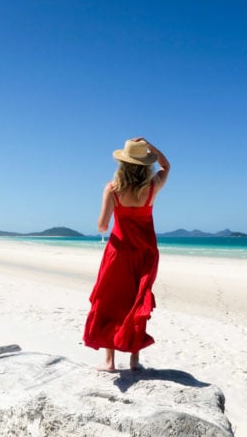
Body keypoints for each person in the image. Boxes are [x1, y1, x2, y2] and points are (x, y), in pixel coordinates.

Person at [83, 137, 170, 371]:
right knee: (136, 301)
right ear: (146, 164)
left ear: (123, 164)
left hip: (118, 252)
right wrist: (151, 146)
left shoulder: (112, 189)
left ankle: (109, 361)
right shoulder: (153, 187)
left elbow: (102, 226)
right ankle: (134, 360)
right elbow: (167, 166)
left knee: (110, 300)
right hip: (145, 252)